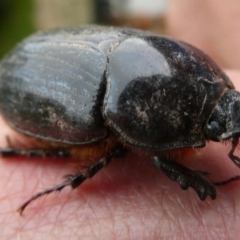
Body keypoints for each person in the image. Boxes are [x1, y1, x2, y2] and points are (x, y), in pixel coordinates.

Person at [0, 1, 240, 238]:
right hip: (22, 79)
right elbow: (163, 158)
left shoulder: (151, 53)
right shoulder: (118, 110)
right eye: (213, 124)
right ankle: (32, 161)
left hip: (93, 51)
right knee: (99, 151)